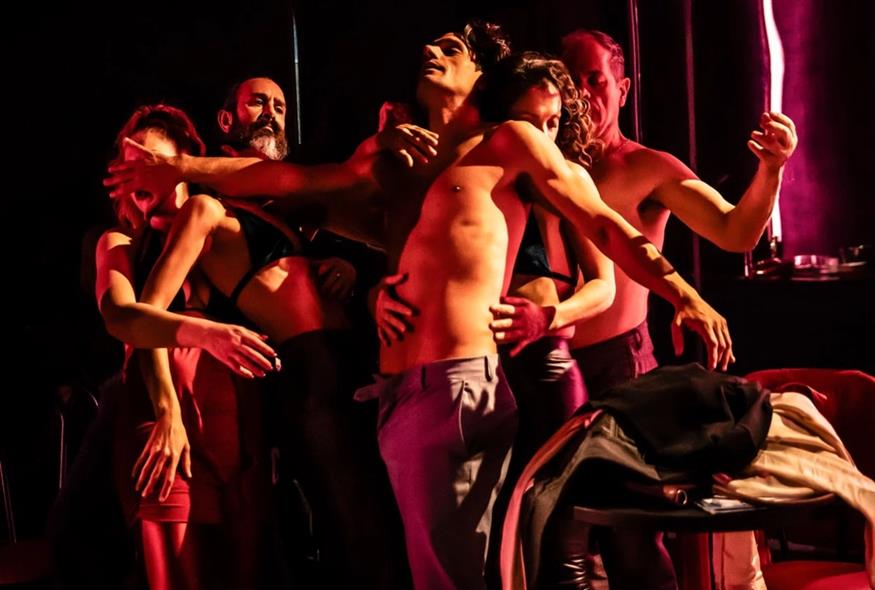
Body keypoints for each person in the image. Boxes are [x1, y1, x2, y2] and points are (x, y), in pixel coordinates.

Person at [107, 23, 733, 588]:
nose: (430, 49)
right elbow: (287, 181)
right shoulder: (403, 165)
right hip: (399, 395)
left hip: (460, 386)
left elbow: (601, 222)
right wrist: (179, 167)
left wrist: (683, 293)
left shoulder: (509, 143)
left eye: (452, 48)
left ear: (482, 75)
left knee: (495, 565)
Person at [112, 77, 405, 588]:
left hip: (352, 364)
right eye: (258, 102)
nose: (272, 112)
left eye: (281, 105)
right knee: (355, 530)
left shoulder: (282, 205)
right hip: (307, 371)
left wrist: (347, 269)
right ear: (226, 121)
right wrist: (167, 410)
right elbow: (146, 315)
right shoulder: (206, 206)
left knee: (378, 520)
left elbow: (349, 204)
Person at [554, 28, 798, 590]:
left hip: (619, 364)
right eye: (570, 81)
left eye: (595, 80)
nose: (583, 94)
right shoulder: (539, 162)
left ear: (623, 89)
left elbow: (735, 232)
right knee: (555, 534)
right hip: (547, 365)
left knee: (631, 538)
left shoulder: (645, 168)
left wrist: (773, 170)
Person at [95, 104, 278, 589]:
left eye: (149, 160)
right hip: (163, 420)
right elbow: (121, 317)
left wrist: (337, 267)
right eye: (126, 163)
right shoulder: (120, 243)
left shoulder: (214, 224)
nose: (136, 171)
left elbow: (279, 188)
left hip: (237, 424)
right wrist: (168, 412)